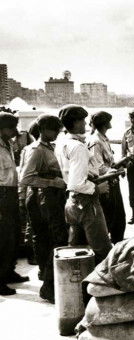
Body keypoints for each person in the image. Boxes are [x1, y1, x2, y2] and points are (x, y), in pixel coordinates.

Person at [19, 114, 68, 303]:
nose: (57, 133)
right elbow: (25, 178)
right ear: (43, 130)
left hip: (45, 197)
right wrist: (52, 183)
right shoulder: (36, 150)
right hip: (42, 197)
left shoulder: (48, 148)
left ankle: (45, 276)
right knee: (54, 237)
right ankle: (48, 284)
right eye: (54, 130)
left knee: (44, 238)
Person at [55, 105, 112, 264]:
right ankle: (101, 286)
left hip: (72, 202)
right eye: (82, 121)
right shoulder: (78, 147)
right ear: (74, 123)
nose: (86, 125)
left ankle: (75, 285)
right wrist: (97, 189)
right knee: (102, 249)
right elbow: (77, 183)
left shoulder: (63, 142)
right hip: (86, 201)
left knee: (75, 249)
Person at [0, 113, 29, 296]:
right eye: (11, 128)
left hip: (10, 193)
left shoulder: (7, 144)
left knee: (13, 236)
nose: (15, 132)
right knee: (2, 239)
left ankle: (8, 271)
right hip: (1, 194)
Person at [87, 111, 126, 244]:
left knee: (119, 220)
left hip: (113, 182)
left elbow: (108, 163)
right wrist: (115, 170)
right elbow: (98, 168)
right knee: (111, 220)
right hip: (106, 186)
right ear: (104, 123)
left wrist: (119, 165)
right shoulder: (96, 141)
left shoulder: (103, 139)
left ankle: (117, 246)